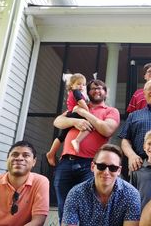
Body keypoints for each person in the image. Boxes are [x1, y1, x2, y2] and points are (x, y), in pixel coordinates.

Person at [53, 79, 120, 224]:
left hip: (91, 165)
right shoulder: (77, 107)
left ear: (106, 93)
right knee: (63, 207)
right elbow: (58, 121)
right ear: (88, 93)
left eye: (101, 88)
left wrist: (85, 114)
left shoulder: (110, 111)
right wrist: (75, 121)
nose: (97, 90)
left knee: (89, 206)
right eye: (93, 88)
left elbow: (107, 129)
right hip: (66, 162)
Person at [62, 144, 141, 226]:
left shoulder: (131, 194)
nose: (106, 172)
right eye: (101, 166)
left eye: (113, 168)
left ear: (119, 170)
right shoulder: (76, 193)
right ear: (93, 167)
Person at [47, 73, 90, 166]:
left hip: (70, 114)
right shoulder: (76, 92)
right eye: (79, 84)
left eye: (83, 84)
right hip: (76, 114)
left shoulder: (72, 93)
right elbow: (81, 102)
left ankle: (51, 153)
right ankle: (77, 140)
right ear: (72, 85)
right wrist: (87, 110)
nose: (81, 86)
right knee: (89, 125)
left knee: (61, 136)